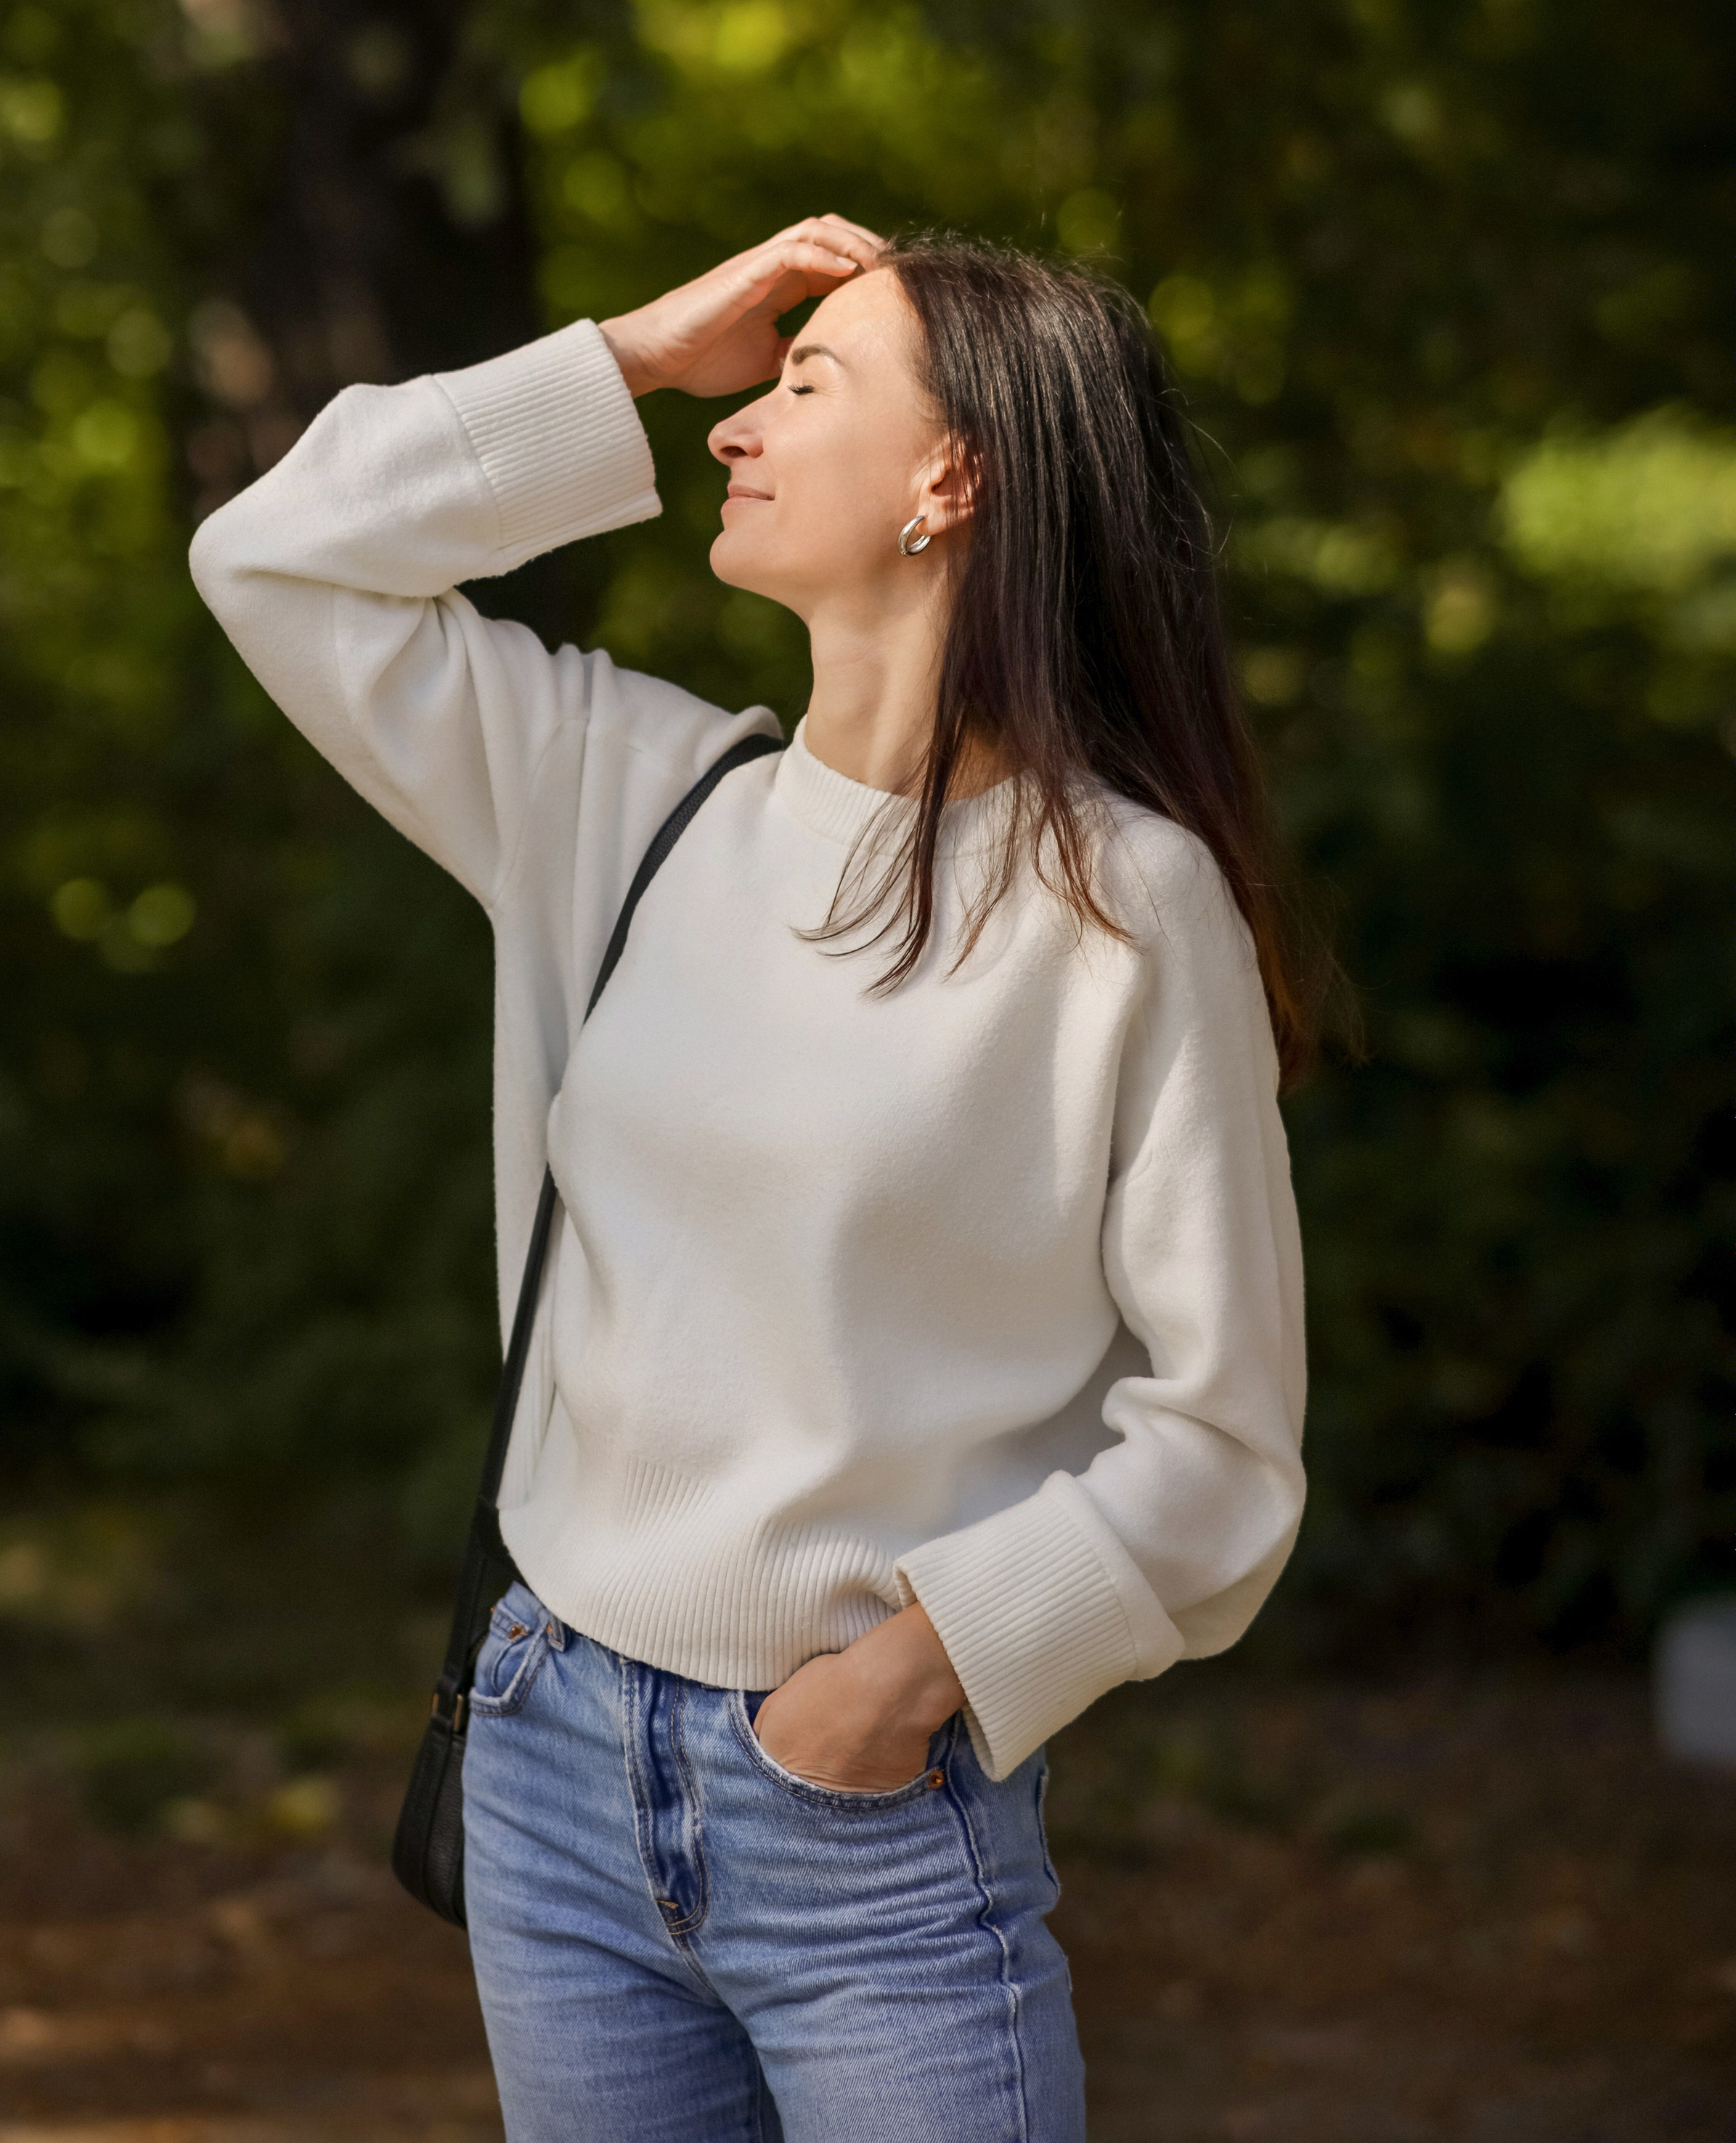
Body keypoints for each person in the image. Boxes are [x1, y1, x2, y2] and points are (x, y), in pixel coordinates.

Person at [188, 216, 1309, 2143]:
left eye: (807, 382)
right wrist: (627, 354)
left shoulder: (1126, 905)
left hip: (868, 1810)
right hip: (547, 1754)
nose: (739, 425)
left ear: (951, 481)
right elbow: (271, 554)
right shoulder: (625, 794)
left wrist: (919, 1673)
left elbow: (1223, 1439)